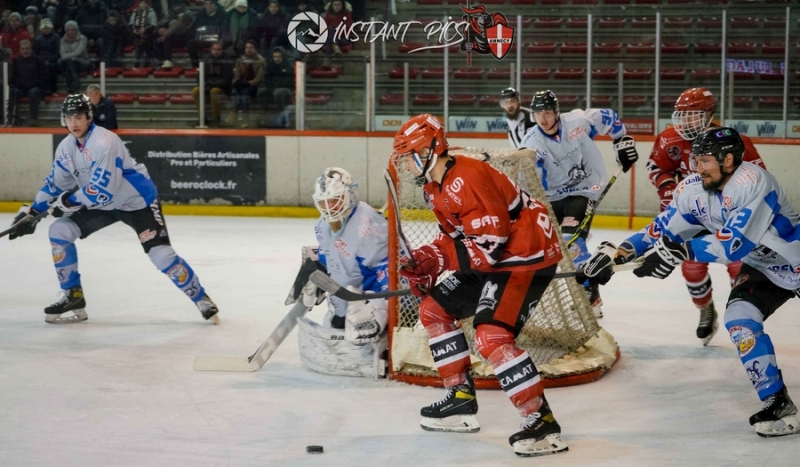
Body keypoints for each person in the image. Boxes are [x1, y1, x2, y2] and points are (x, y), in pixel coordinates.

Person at [581, 127, 800, 438]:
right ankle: (778, 403)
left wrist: (678, 252)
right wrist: (618, 253)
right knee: (740, 321)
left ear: (728, 160)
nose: (697, 168)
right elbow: (660, 229)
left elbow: (733, 246)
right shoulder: (693, 190)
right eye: (695, 160)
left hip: (795, 258)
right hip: (765, 269)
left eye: (705, 161)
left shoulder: (752, 182)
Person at [393, 114, 568, 457]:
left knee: (491, 336)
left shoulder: (465, 178)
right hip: (499, 253)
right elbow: (457, 238)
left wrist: (440, 261)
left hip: (525, 254)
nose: (406, 164)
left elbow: (488, 245)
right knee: (434, 310)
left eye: (410, 154)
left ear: (431, 149)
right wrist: (430, 258)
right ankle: (459, 399)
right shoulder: (434, 187)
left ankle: (541, 421)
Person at [7, 94, 220, 325]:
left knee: (161, 255)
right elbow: (55, 183)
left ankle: (201, 298)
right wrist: (32, 213)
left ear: (89, 117)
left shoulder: (104, 142)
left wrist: (67, 202)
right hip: (102, 205)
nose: (74, 123)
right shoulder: (66, 148)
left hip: (138, 202)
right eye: (69, 118)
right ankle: (72, 295)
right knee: (59, 230)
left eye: (79, 117)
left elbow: (103, 189)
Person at [647, 87, 766, 345]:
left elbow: (759, 181)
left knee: (738, 267)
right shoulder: (669, 139)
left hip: (729, 217)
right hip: (693, 215)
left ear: (709, 114)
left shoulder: (737, 142)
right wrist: (668, 190)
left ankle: (743, 315)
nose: (686, 121)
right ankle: (706, 311)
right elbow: (656, 166)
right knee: (691, 269)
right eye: (682, 115)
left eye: (693, 115)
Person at [520, 90, 639, 318]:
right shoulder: (531, 142)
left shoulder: (577, 122)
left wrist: (621, 141)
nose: (543, 118)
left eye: (547, 112)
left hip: (584, 190)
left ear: (556, 112)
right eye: (538, 114)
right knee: (555, 247)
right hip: (552, 198)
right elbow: (530, 181)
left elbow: (608, 118)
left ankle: (589, 295)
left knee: (571, 241)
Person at [294, 168, 390, 375]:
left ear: (350, 195)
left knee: (359, 330)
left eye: (334, 200)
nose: (328, 208)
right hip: (345, 303)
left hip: (369, 304)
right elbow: (330, 255)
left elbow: (393, 270)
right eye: (323, 202)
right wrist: (317, 276)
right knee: (335, 327)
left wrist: (379, 313)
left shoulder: (370, 226)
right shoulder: (322, 225)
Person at [191, 40, 233, 126]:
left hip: (222, 88)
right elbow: (199, 76)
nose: (216, 51)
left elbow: (227, 79)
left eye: (218, 49)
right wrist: (206, 85)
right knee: (196, 90)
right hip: (208, 86)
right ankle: (202, 118)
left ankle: (216, 118)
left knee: (214, 91)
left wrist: (212, 85)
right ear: (211, 49)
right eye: (214, 49)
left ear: (222, 50)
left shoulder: (227, 61)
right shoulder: (206, 61)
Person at [9, 39, 47, 126]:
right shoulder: (16, 62)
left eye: (27, 49)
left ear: (31, 49)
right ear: (20, 50)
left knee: (33, 92)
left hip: (36, 88)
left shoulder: (38, 61)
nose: (25, 51)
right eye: (23, 49)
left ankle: (33, 118)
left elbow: (44, 76)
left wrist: (35, 84)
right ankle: (13, 117)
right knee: (12, 91)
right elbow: (13, 77)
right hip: (21, 88)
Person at [230, 39, 264, 128]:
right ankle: (235, 113)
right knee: (236, 91)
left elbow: (258, 78)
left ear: (255, 49)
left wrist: (248, 83)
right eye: (247, 47)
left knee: (244, 94)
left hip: (255, 86)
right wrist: (236, 82)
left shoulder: (261, 61)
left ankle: (238, 114)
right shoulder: (240, 60)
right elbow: (236, 75)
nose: (248, 50)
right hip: (242, 84)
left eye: (251, 48)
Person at [258, 46, 293, 112]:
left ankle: (282, 110)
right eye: (275, 57)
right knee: (262, 91)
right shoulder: (270, 65)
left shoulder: (288, 66)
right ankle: (265, 110)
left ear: (283, 57)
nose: (277, 59)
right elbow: (267, 79)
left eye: (279, 57)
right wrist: (271, 87)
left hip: (287, 89)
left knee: (278, 92)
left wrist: (277, 87)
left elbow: (289, 82)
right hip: (273, 88)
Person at [58, 20, 89, 93]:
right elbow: (62, 54)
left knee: (69, 64)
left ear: (76, 30)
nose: (71, 32)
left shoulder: (82, 38)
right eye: (69, 30)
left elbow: (78, 52)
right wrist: (71, 57)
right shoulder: (63, 40)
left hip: (82, 62)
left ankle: (71, 86)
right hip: (69, 63)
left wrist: (69, 57)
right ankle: (75, 83)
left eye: (73, 30)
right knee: (69, 63)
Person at [33, 18, 59, 94]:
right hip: (41, 59)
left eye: (48, 28)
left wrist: (50, 59)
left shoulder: (56, 37)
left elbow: (57, 51)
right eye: (44, 28)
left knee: (51, 67)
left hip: (53, 59)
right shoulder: (38, 38)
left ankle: (52, 88)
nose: (46, 30)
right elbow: (36, 51)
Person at [129, 0, 157, 68]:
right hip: (137, 34)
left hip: (148, 34)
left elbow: (154, 24)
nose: (143, 5)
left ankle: (146, 65)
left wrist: (144, 30)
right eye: (141, 3)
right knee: (137, 49)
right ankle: (137, 64)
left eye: (145, 3)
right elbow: (131, 23)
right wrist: (134, 30)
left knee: (147, 49)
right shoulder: (135, 12)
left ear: (147, 4)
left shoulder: (151, 12)